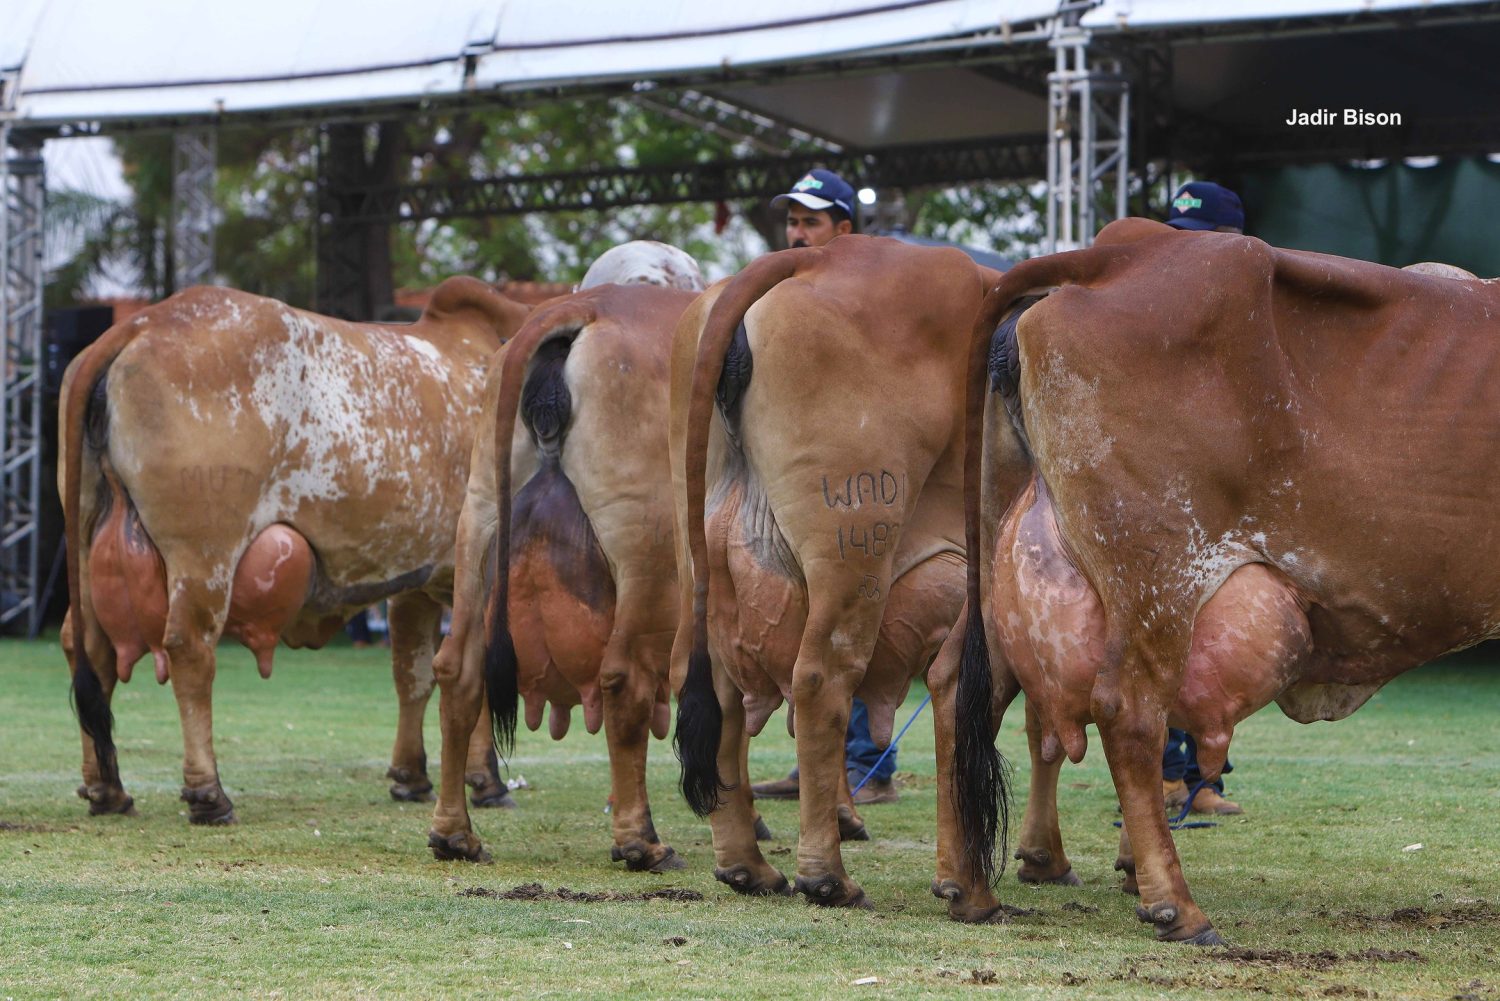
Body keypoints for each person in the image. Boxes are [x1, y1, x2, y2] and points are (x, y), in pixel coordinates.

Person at [748, 168, 898, 807]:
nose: (796, 232)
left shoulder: (876, 297)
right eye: (791, 221)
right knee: (810, 618)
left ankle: (867, 766)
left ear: (844, 228)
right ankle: (819, 765)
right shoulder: (776, 299)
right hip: (799, 478)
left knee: (857, 613)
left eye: (810, 221)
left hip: (860, 484)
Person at [1160, 180, 1245, 817]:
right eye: (1178, 240)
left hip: (1224, 510)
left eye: (1201, 242)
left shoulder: (1246, 326)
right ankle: (1164, 777)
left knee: (1214, 639)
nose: (1185, 255)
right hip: (1164, 505)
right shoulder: (1159, 318)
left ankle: (1206, 781)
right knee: (1155, 633)